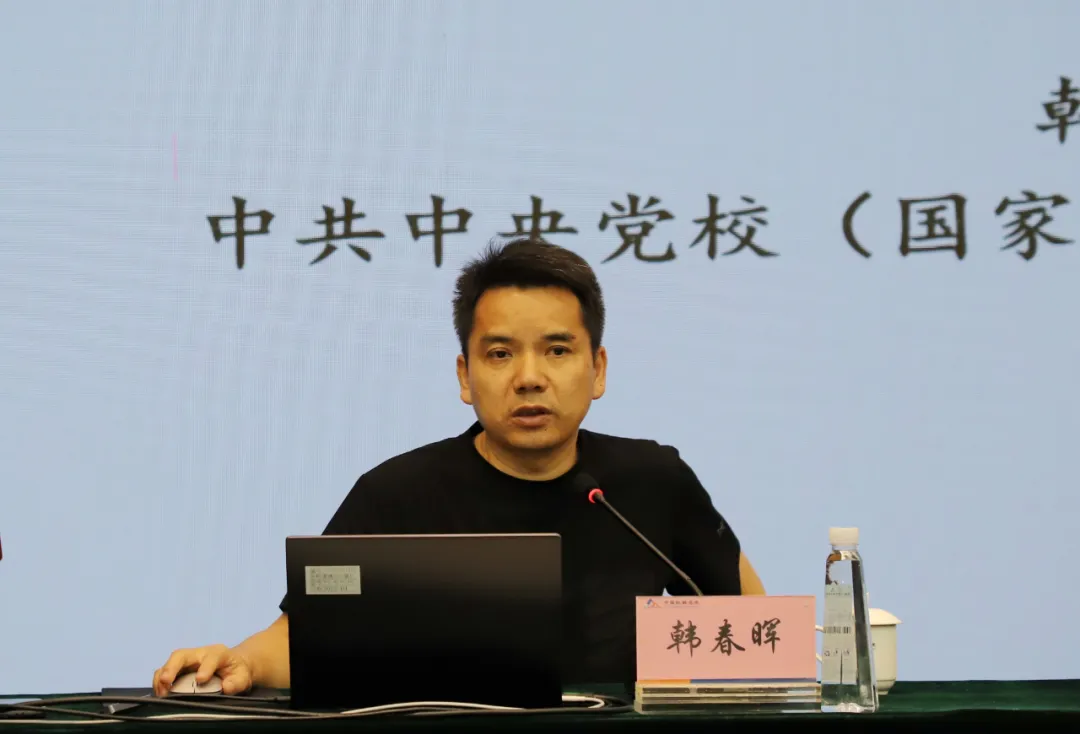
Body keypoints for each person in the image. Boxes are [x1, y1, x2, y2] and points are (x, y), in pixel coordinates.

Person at [152, 235, 764, 697]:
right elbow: (307, 636)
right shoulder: (398, 493)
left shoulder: (653, 478)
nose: (530, 377)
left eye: (557, 350)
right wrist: (242, 662)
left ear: (597, 369)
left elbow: (751, 623)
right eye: (500, 354)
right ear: (465, 376)